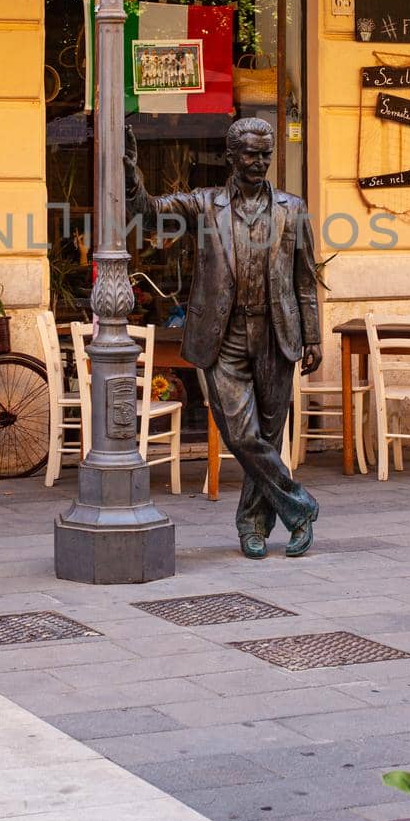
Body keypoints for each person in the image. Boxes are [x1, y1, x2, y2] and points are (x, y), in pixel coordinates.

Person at [124, 117, 322, 558]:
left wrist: (313, 336)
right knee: (239, 430)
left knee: (268, 436)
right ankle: (299, 505)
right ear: (231, 156)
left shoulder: (292, 208)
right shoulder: (205, 204)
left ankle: (252, 526)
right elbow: (147, 209)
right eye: (251, 154)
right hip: (224, 334)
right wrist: (128, 168)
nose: (260, 162)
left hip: (277, 332)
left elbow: (305, 279)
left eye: (266, 154)